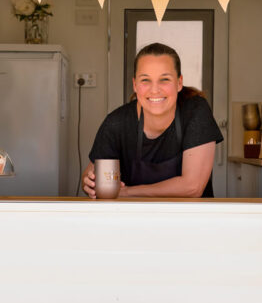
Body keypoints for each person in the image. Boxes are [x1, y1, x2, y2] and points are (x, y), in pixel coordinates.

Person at [82, 42, 223, 198]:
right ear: (135, 85)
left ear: (179, 82)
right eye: (145, 80)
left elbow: (192, 187)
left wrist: (127, 192)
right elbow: (92, 174)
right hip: (134, 219)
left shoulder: (195, 111)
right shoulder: (116, 123)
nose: (155, 90)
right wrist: (89, 183)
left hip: (189, 218)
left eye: (164, 79)